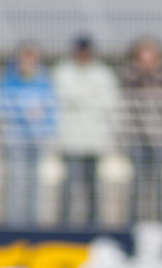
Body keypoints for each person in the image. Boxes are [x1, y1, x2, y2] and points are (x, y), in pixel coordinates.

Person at [53, 34, 120, 226]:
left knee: (93, 186)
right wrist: (90, 97)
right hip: (71, 140)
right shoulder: (63, 71)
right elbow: (63, 97)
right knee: (69, 185)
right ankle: (64, 225)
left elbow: (108, 102)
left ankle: (93, 224)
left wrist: (80, 99)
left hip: (94, 141)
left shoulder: (103, 73)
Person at [0, 42, 57, 227]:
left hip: (38, 137)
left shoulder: (44, 81)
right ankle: (14, 222)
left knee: (35, 182)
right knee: (16, 180)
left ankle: (33, 222)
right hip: (16, 136)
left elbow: (52, 108)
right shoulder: (9, 81)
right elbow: (1, 106)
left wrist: (44, 124)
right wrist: (23, 114)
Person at [120, 36, 162, 224]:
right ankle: (132, 223)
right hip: (137, 138)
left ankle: (160, 222)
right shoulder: (130, 78)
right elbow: (130, 104)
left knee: (159, 183)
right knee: (136, 183)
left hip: (159, 138)